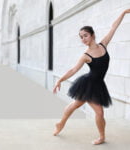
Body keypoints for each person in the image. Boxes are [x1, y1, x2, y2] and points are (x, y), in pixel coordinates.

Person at [52, 9, 130, 145]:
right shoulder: (85, 55)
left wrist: (123, 13)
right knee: (99, 112)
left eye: (85, 35)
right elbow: (73, 69)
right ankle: (102, 137)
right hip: (89, 84)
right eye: (81, 37)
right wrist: (59, 80)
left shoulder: (103, 44)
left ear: (93, 35)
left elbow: (114, 27)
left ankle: (60, 123)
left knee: (75, 105)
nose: (83, 39)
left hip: (98, 84)